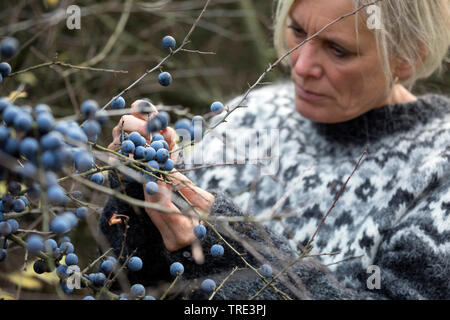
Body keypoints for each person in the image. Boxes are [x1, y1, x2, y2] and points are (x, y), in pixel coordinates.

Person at [99, 0, 450, 299]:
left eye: (338, 49)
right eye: (298, 32)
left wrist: (235, 253)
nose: (299, 66)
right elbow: (138, 279)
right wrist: (139, 195)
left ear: (408, 57)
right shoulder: (248, 117)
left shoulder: (439, 169)